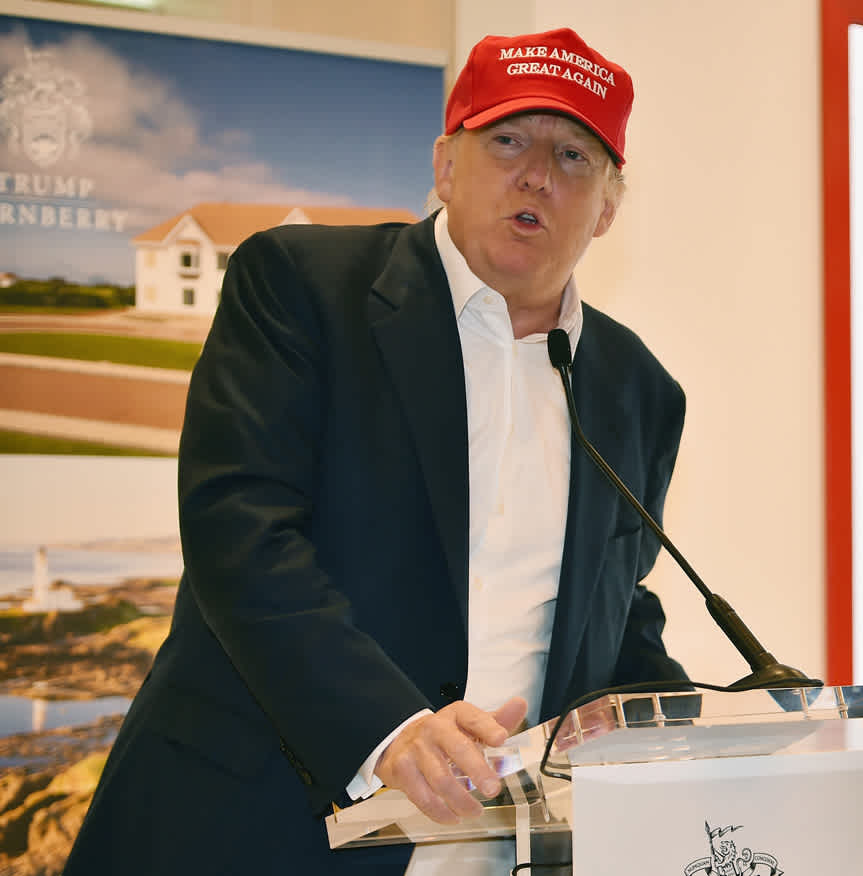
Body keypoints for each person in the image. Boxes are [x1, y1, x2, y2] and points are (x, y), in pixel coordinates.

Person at [63, 27, 687, 876]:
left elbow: (614, 609)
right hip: (255, 831)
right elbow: (241, 532)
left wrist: (720, 724)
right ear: (444, 166)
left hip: (494, 853)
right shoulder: (302, 286)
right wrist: (389, 731)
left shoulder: (639, 390)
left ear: (608, 208)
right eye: (506, 139)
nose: (537, 172)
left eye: (574, 154)